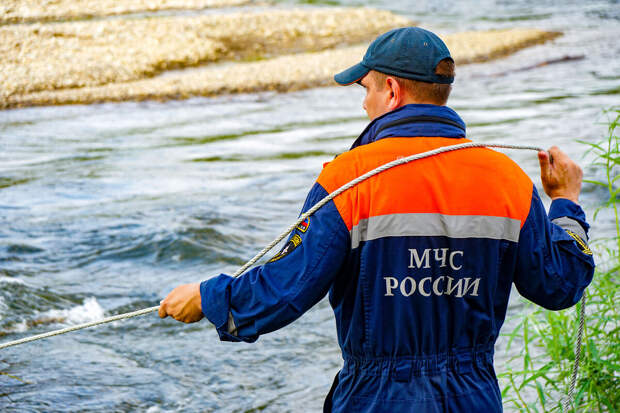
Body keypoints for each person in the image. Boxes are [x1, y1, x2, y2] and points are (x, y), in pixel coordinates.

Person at [158, 27, 595, 412]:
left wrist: (208, 298)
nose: (364, 104)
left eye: (364, 89)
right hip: (473, 397)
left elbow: (284, 290)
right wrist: (565, 202)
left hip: (377, 398)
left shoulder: (348, 179)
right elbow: (560, 284)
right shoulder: (507, 179)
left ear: (391, 90)